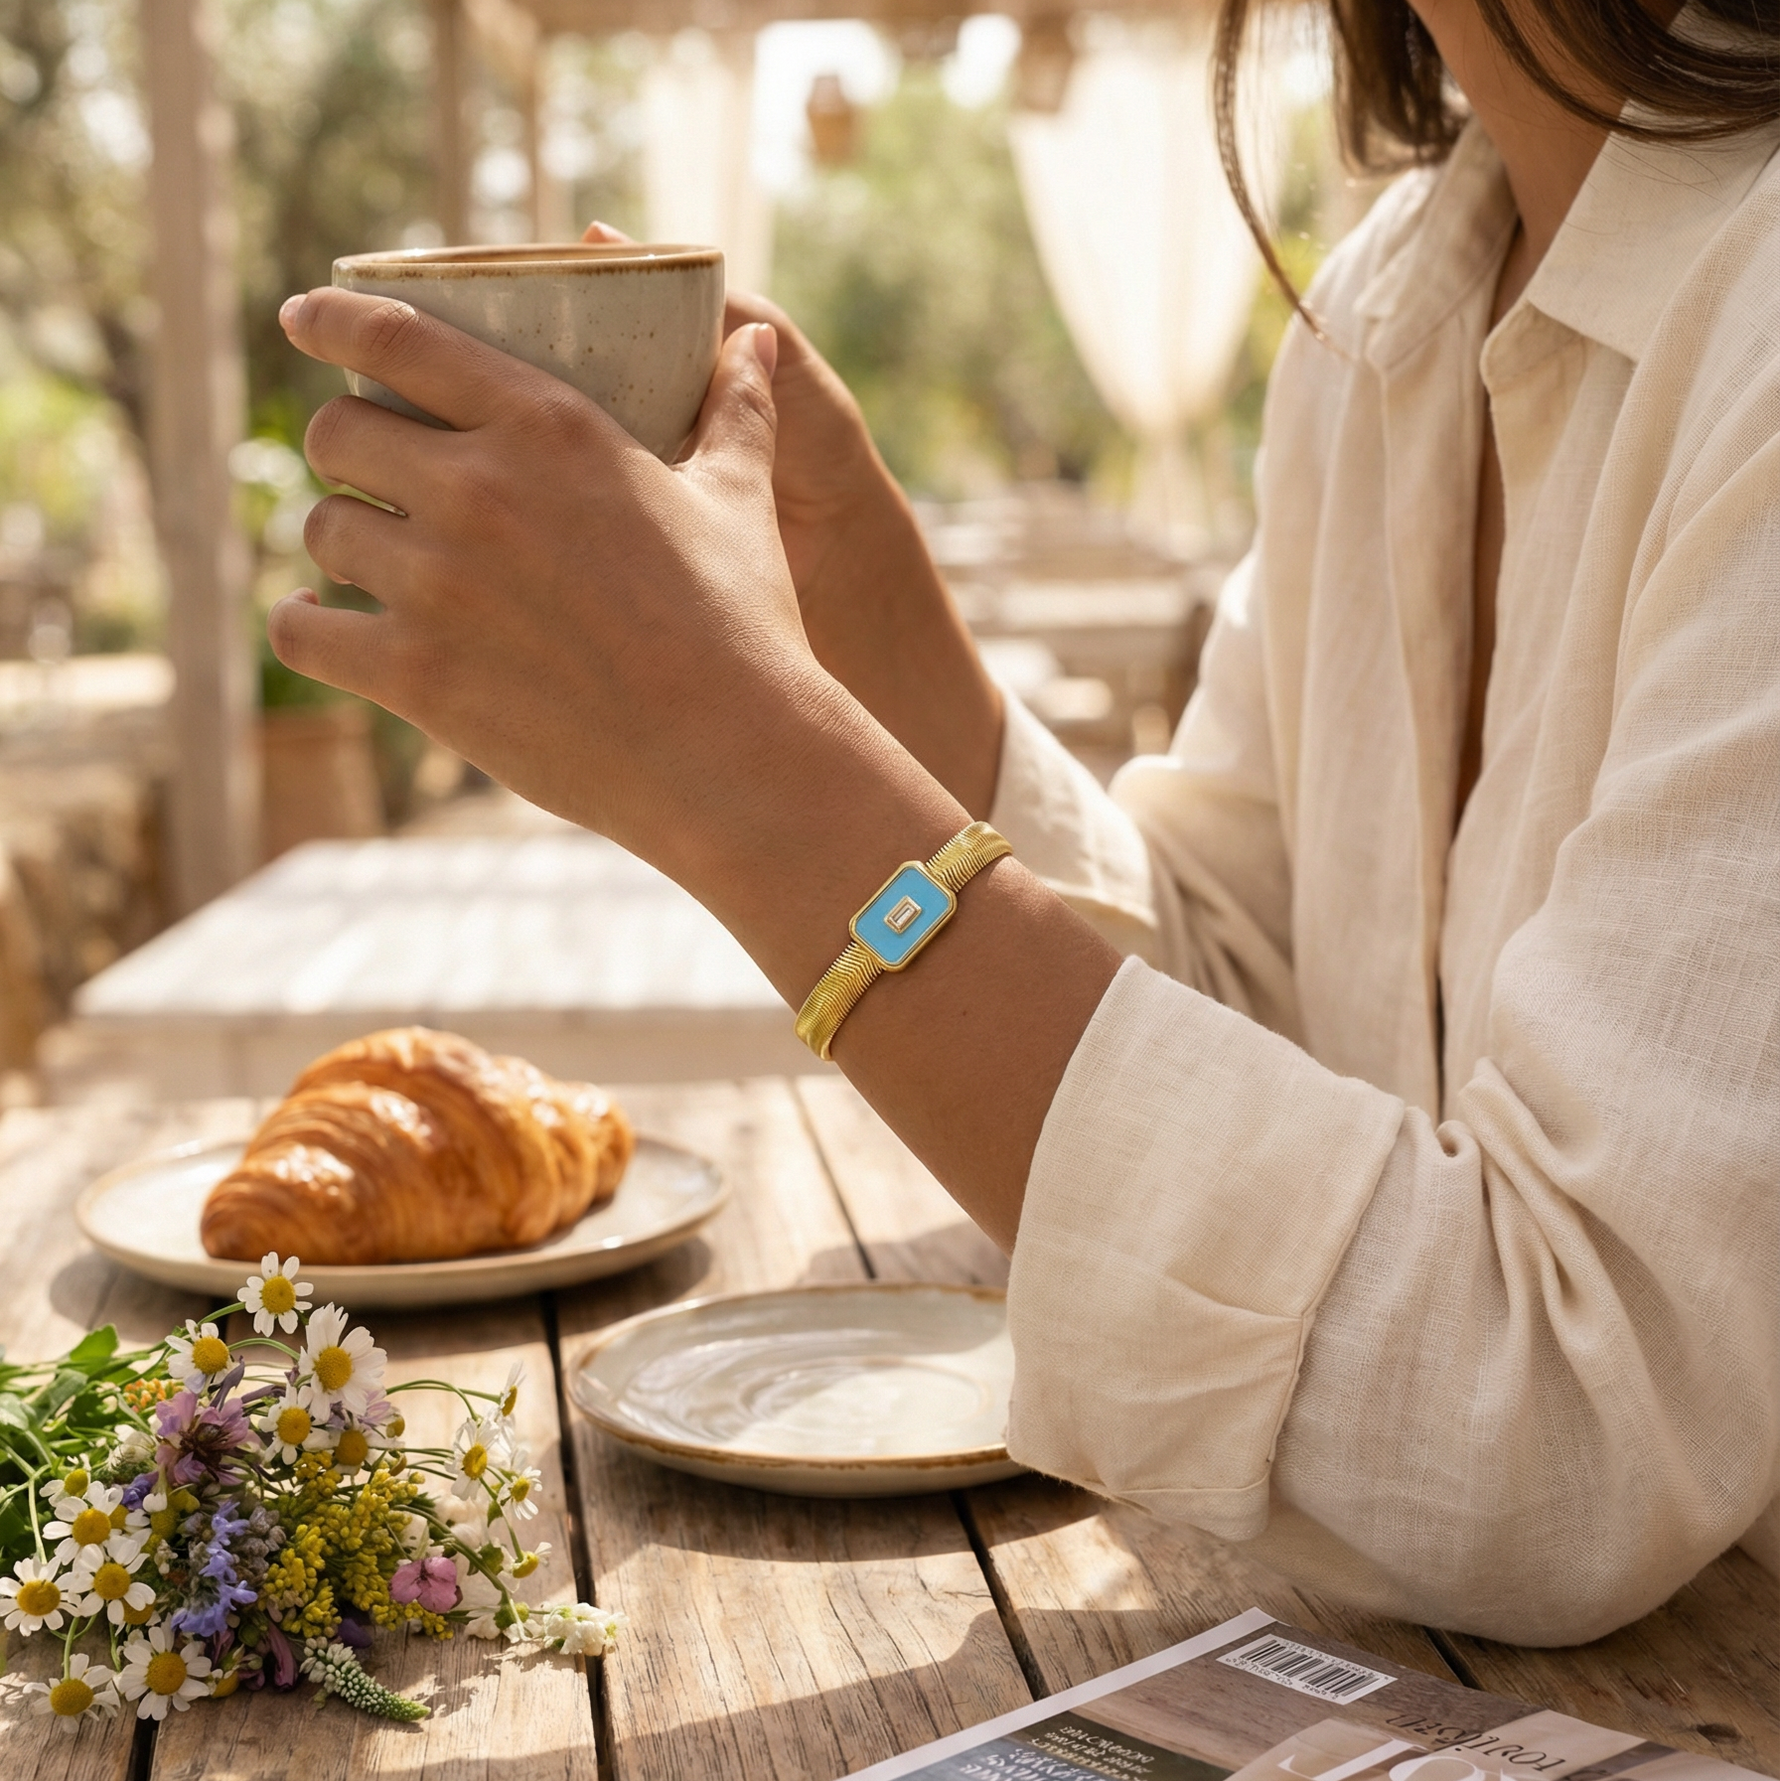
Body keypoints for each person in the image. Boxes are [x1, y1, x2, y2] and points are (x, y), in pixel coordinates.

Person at [270, 0, 1780, 1645]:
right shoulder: (1390, 304)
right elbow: (1264, 1023)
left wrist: (751, 774)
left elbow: (1555, 1434)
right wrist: (874, 637)